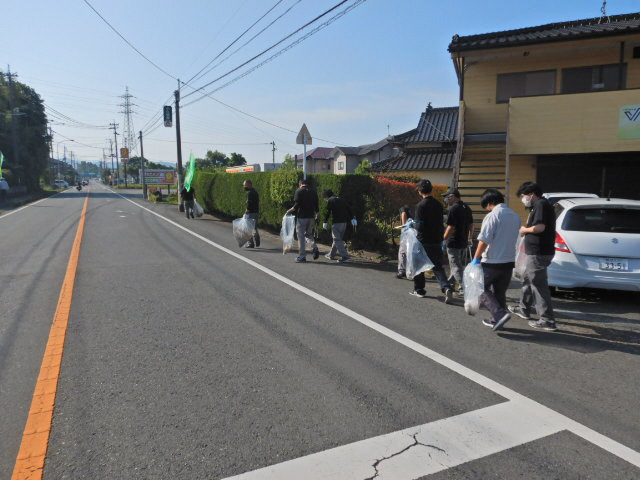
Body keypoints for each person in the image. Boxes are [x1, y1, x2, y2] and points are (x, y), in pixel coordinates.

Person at [508, 182, 557, 331]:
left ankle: (547, 319)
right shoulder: (540, 205)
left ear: (531, 194)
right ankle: (524, 309)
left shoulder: (541, 204)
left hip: (539, 252)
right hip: (537, 251)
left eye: (523, 196)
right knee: (528, 280)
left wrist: (525, 229)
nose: (523, 199)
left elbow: (539, 227)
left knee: (538, 285)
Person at [470, 189, 521, 331]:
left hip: (492, 261)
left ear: (490, 203)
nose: (487, 209)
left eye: (486, 206)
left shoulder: (493, 216)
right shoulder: (515, 216)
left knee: (479, 288)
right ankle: (497, 320)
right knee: (499, 292)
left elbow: (484, 240)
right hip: (509, 260)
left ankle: (499, 314)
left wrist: (476, 258)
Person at [409, 179, 454, 303]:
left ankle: (419, 290)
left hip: (423, 241)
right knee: (437, 266)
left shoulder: (420, 206)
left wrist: (411, 224)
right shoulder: (438, 204)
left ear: (420, 191)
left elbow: (419, 226)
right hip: (436, 240)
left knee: (418, 265)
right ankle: (446, 287)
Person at [442, 188, 474, 294]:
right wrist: (469, 238)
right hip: (463, 240)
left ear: (453, 196)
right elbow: (471, 225)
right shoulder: (466, 207)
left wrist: (443, 238)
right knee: (456, 264)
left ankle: (464, 287)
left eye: (447, 197)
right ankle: (450, 285)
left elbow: (450, 226)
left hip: (453, 240)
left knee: (455, 265)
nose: (446, 199)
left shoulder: (453, 209)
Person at [287, 178, 319, 263]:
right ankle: (314, 247)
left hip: (301, 217)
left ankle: (302, 256)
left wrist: (291, 210)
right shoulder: (313, 192)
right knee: (308, 234)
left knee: (301, 236)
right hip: (311, 217)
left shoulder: (299, 191)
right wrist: (317, 214)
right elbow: (316, 205)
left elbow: (297, 204)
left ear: (300, 184)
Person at [322, 189, 352, 263]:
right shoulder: (341, 199)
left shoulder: (331, 200)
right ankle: (331, 255)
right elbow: (349, 209)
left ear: (326, 196)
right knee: (337, 240)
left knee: (337, 240)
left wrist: (325, 221)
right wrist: (353, 218)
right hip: (344, 223)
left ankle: (345, 256)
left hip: (336, 223)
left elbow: (328, 211)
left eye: (324, 197)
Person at [397, 205, 414, 278]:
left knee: (402, 251)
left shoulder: (403, 208)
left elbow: (403, 213)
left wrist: (404, 226)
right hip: (414, 232)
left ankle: (402, 270)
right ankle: (410, 271)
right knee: (411, 251)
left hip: (407, 232)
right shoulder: (415, 210)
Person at [243, 179, 260, 248]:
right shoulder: (255, 192)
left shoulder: (250, 193)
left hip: (250, 213)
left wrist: (247, 210)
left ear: (249, 184)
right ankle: (256, 237)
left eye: (245, 185)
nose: (244, 187)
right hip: (256, 212)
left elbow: (249, 203)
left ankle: (250, 243)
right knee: (254, 228)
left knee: (247, 228)